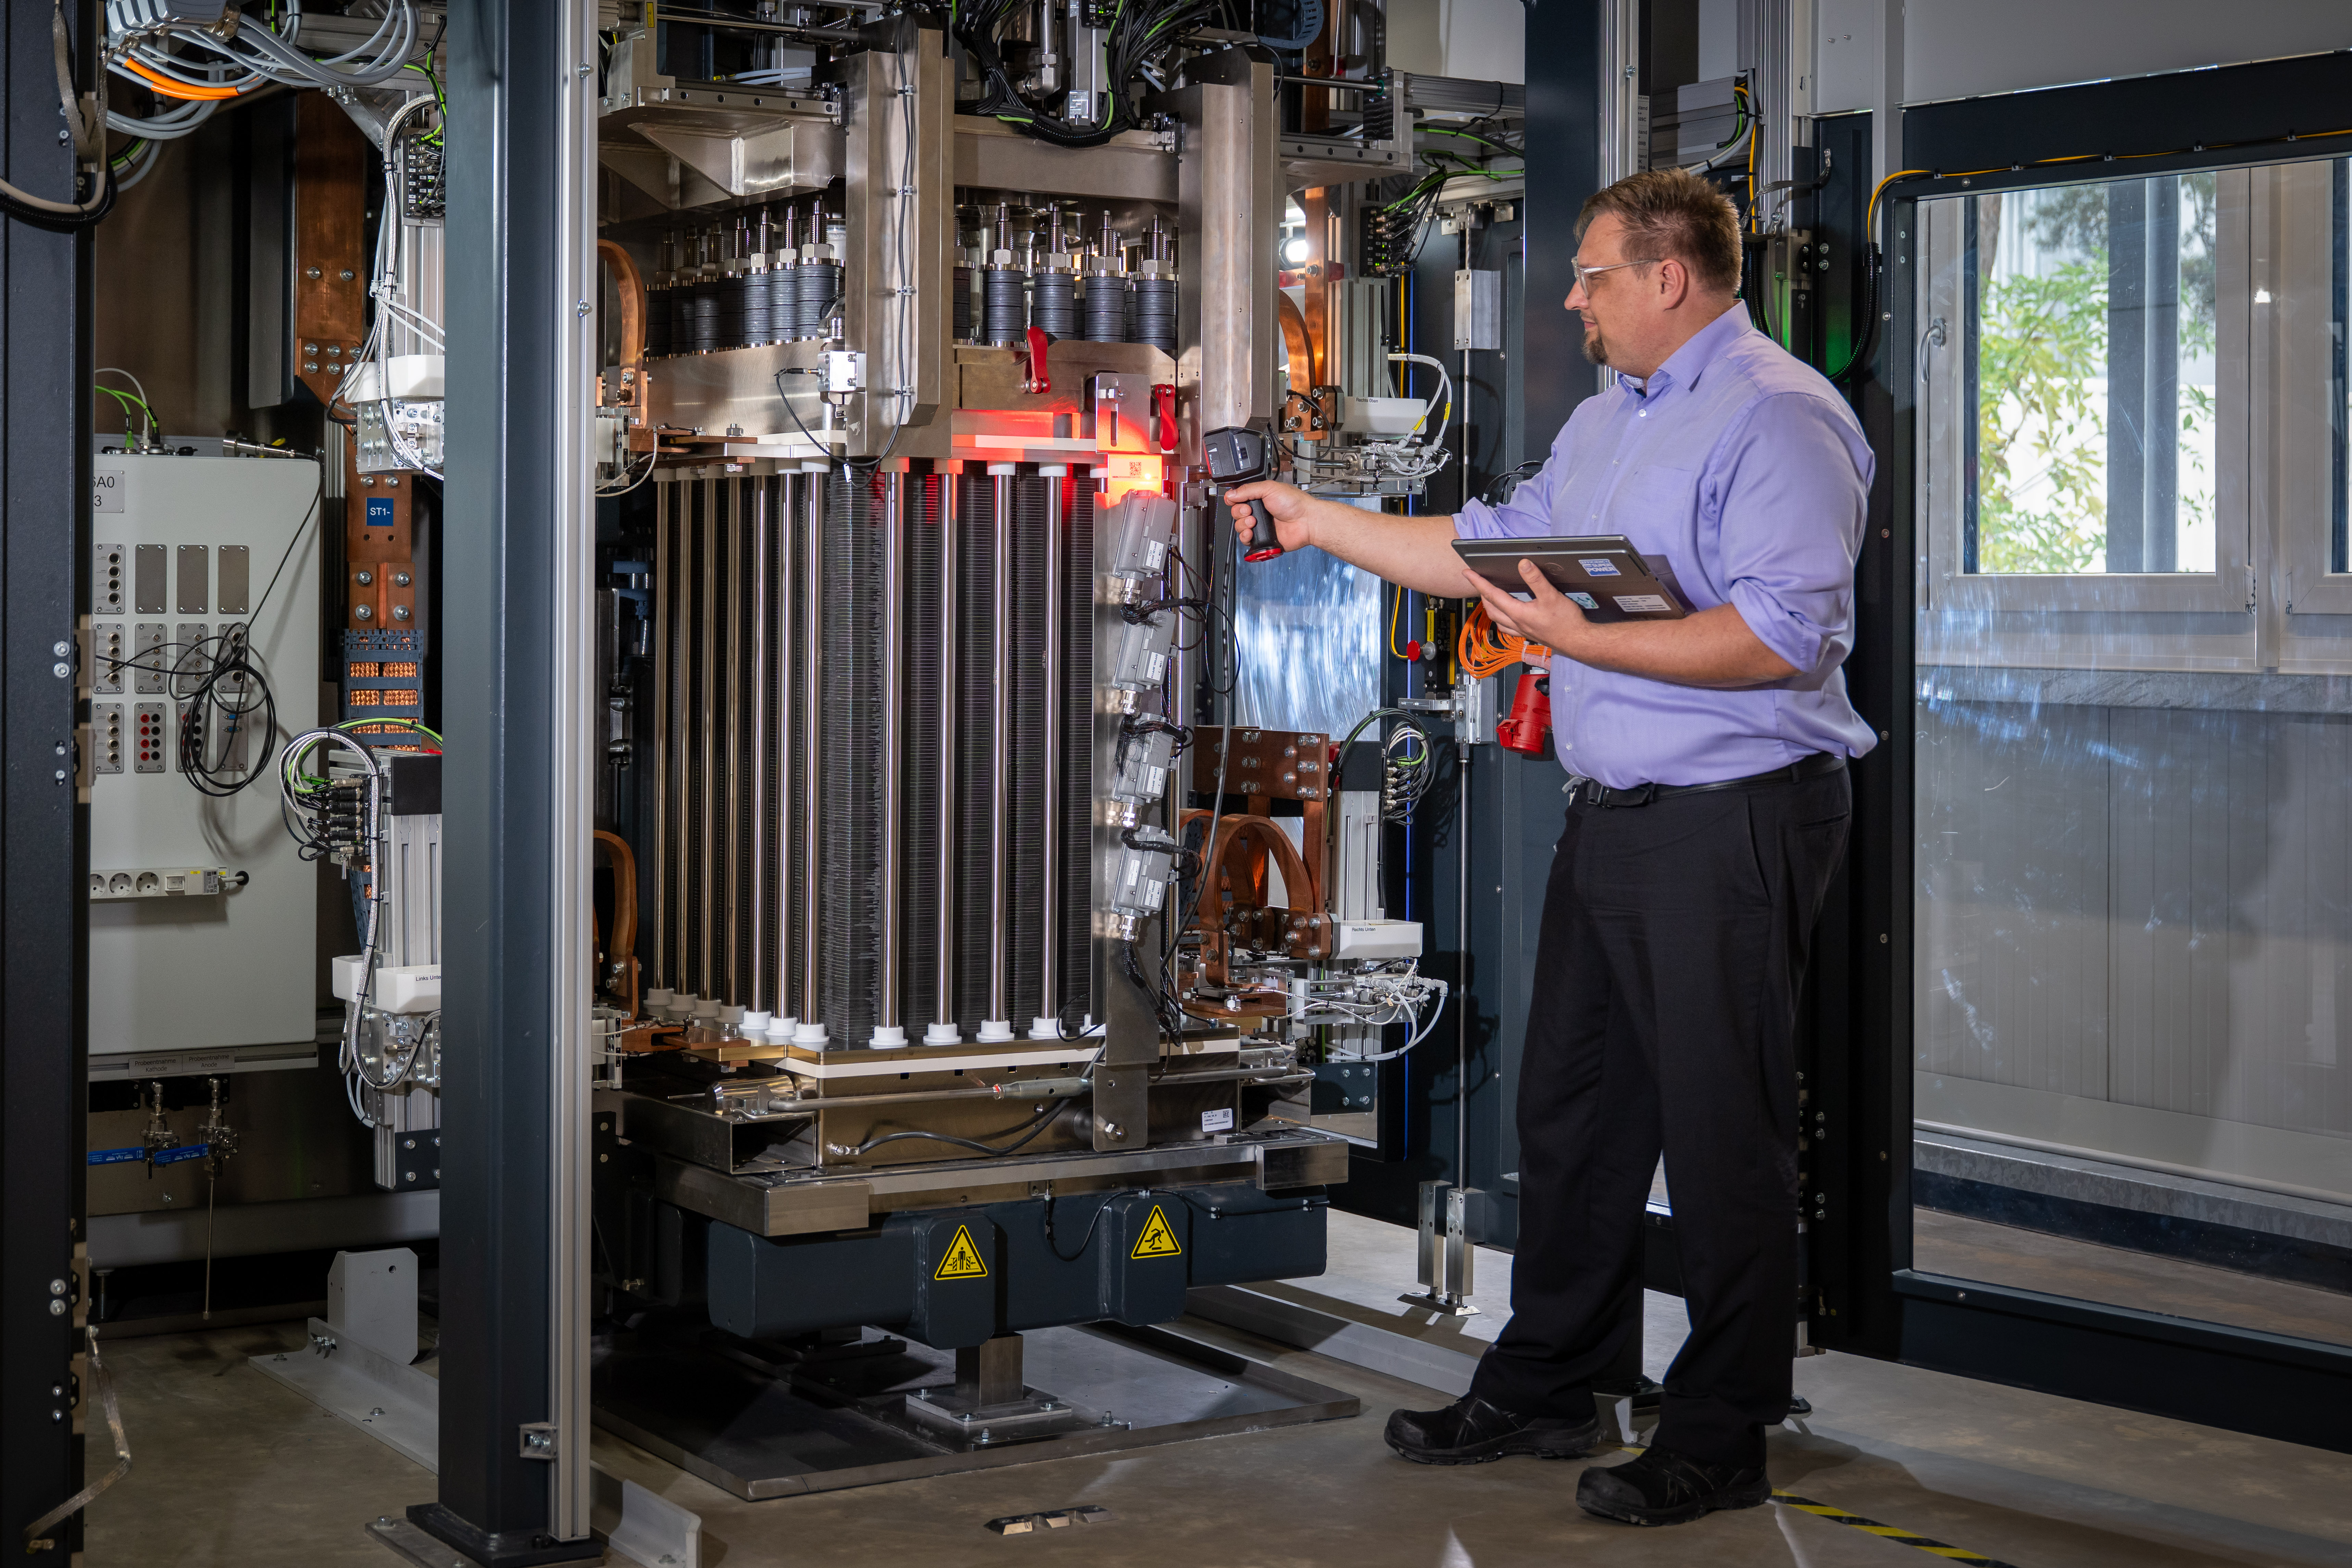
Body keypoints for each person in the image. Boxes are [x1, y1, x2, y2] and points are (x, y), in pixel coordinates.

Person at [1223, 166, 1873, 1528]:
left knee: (1717, 1133)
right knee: (1570, 1117)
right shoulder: (1604, 423)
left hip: (1735, 819)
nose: (1571, 297)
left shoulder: (1779, 419)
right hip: (1617, 818)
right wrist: (1316, 518)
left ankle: (1719, 1428)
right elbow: (1484, 550)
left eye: (1591, 273)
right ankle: (1554, 1378)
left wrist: (1580, 639)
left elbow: (1778, 637)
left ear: (1669, 277)